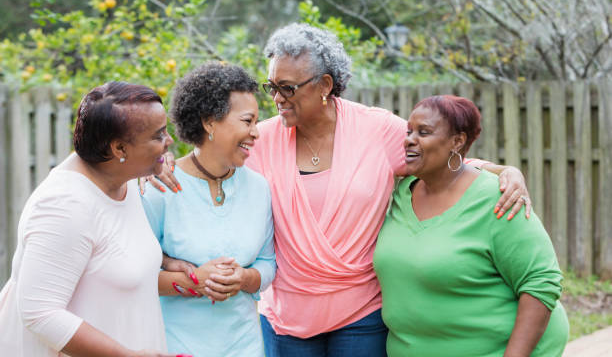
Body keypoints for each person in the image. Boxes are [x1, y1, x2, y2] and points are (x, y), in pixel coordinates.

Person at [149, 23, 531, 357]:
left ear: (325, 86)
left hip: (361, 315)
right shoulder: (261, 137)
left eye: (287, 88)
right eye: (272, 87)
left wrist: (501, 169)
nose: (277, 98)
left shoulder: (376, 129)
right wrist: (158, 165)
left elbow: (434, 157)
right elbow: (208, 158)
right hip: (287, 319)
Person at [0, 82, 188, 357]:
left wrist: (164, 260)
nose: (169, 141)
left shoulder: (121, 178)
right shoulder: (64, 206)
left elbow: (107, 253)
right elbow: (39, 312)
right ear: (119, 149)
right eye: (159, 135)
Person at [373, 95, 569, 356]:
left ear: (457, 141)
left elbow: (541, 281)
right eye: (409, 131)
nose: (409, 139)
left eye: (424, 132)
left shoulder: (498, 198)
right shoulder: (401, 193)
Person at [140, 62, 276, 357]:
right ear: (209, 122)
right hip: (175, 345)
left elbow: (267, 263)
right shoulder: (160, 188)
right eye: (247, 121)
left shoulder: (259, 188)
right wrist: (194, 283)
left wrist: (243, 278)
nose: (256, 132)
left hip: (245, 347)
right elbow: (135, 276)